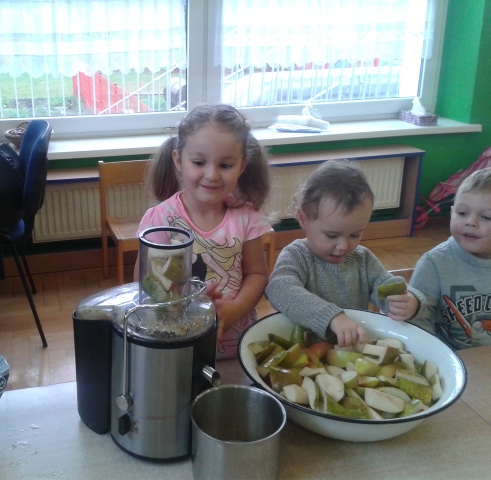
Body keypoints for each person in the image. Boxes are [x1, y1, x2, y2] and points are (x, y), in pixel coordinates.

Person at [136, 104, 273, 359]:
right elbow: (147, 286)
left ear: (242, 166)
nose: (212, 175)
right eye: (199, 162)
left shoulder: (247, 216)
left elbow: (257, 275)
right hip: (177, 347)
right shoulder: (160, 220)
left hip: (235, 348)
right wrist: (186, 304)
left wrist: (233, 311)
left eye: (225, 165)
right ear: (178, 160)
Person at [265, 160, 426, 347]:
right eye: (332, 235)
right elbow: (279, 289)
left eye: (355, 235)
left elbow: (388, 286)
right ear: (303, 219)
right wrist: (331, 317)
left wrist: (411, 301)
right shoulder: (296, 256)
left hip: (352, 353)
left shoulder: (362, 259)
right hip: (304, 352)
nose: (343, 246)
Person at [409, 167, 491, 349]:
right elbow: (416, 321)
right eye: (462, 213)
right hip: (450, 358)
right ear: (452, 212)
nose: (470, 222)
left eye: (487, 217)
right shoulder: (434, 263)